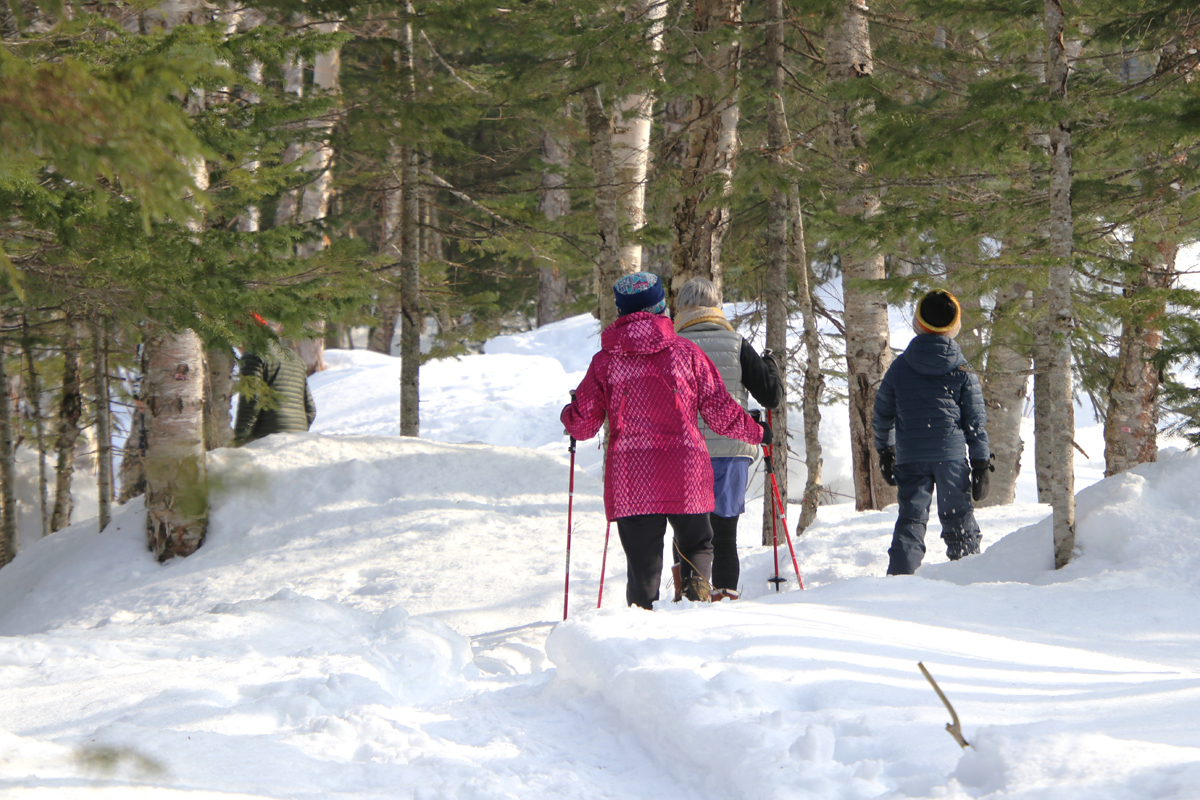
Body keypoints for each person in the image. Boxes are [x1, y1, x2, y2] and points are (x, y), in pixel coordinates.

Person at [561, 272, 771, 609]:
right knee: (696, 546)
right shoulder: (687, 353)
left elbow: (583, 427)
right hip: (685, 471)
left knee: (642, 566)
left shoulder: (605, 362)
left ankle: (642, 625)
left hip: (632, 478)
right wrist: (757, 432)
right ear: (661, 306)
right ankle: (694, 609)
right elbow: (720, 412)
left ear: (620, 311)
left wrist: (570, 413)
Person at [673, 277, 784, 601]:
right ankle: (724, 597)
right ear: (717, 305)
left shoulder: (672, 345)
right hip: (731, 449)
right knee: (724, 533)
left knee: (687, 533)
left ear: (681, 306)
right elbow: (770, 396)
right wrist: (771, 367)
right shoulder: (736, 343)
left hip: (685, 451)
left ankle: (688, 598)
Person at [872, 289, 992, 575]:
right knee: (958, 518)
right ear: (954, 324)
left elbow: (882, 413)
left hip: (911, 456)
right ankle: (966, 576)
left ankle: (901, 577)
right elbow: (975, 423)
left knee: (911, 520)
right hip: (950, 457)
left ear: (918, 322)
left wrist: (886, 450)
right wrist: (981, 463)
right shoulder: (963, 369)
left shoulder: (899, 368)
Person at [233, 317, 317, 446]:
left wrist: (239, 439)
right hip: (298, 440)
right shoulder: (294, 358)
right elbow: (310, 409)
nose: (238, 347)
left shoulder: (254, 355)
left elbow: (251, 402)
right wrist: (298, 431)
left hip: (268, 439)